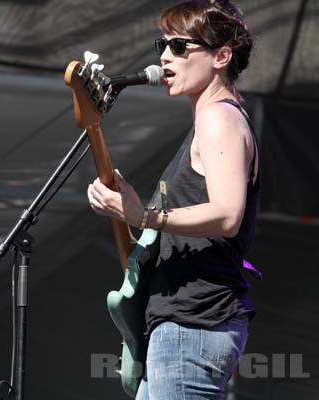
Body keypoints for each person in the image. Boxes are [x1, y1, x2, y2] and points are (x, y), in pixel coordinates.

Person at [87, 1, 258, 399]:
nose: (165, 56)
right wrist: (130, 208)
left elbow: (228, 214)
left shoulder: (218, 117)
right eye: (161, 44)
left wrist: (144, 215)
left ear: (221, 56)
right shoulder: (212, 119)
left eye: (180, 47)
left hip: (192, 326)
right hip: (182, 325)